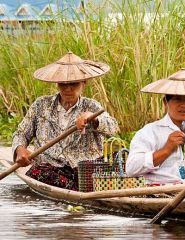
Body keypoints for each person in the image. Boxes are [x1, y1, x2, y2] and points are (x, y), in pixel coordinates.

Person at [12, 52, 119, 190]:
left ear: (83, 82)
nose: (68, 89)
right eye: (63, 84)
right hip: (49, 170)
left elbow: (113, 127)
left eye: (73, 84)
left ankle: (79, 189)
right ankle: (74, 189)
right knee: (40, 171)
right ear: (57, 84)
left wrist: (92, 118)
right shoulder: (41, 105)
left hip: (83, 172)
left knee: (105, 168)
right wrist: (20, 150)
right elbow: (21, 133)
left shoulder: (91, 106)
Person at [126, 69, 185, 185]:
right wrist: (166, 149)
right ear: (165, 102)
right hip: (158, 194)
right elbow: (131, 169)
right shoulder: (150, 132)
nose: (183, 105)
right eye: (177, 99)